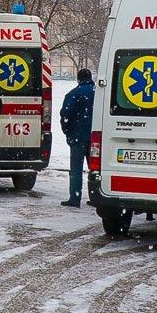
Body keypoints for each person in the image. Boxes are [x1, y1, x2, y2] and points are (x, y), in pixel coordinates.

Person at [59, 68, 95, 208]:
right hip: (96, 138)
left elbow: (65, 115)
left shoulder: (73, 94)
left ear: (78, 79)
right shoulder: (100, 94)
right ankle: (95, 197)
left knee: (76, 169)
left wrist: (68, 131)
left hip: (78, 137)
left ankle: (75, 198)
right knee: (95, 169)